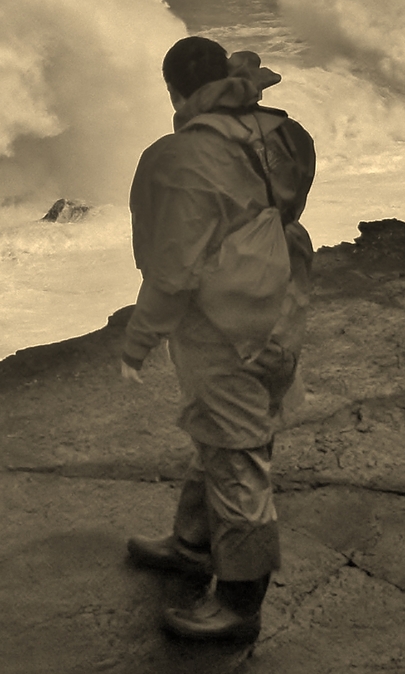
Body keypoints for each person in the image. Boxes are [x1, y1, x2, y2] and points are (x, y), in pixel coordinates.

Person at [119, 35, 316, 644]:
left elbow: (173, 268)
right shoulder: (279, 129)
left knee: (236, 455)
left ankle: (238, 603)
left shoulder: (179, 158)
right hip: (280, 299)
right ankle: (193, 544)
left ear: (175, 89)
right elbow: (285, 201)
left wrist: (139, 339)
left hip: (227, 324)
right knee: (221, 433)